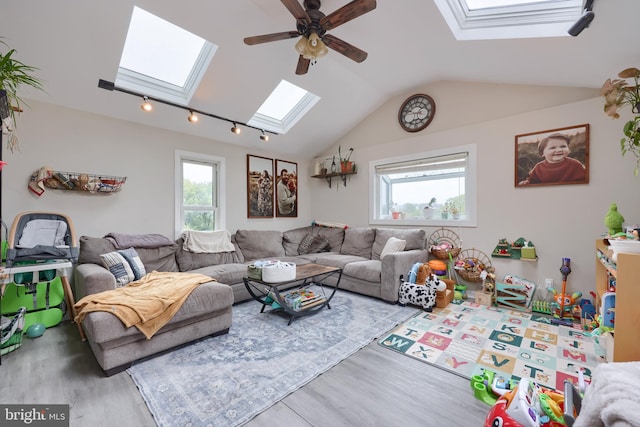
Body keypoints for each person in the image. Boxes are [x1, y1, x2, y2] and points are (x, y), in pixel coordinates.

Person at [519, 133, 586, 185]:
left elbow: (583, 179)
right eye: (552, 148)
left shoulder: (575, 164)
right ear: (542, 153)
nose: (559, 150)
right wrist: (526, 183)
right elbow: (532, 181)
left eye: (563, 146)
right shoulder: (538, 168)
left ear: (568, 149)